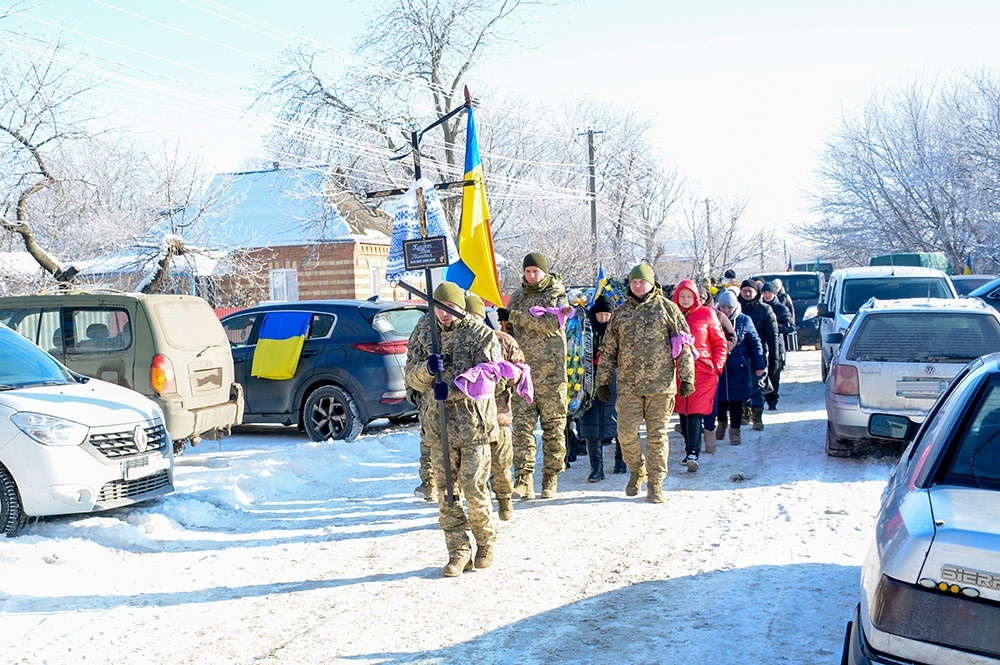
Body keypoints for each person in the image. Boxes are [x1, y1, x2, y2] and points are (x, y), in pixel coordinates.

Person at [404, 282, 502, 577]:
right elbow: (412, 377)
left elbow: (491, 377)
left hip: (474, 426)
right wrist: (427, 371)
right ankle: (458, 550)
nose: (444, 315)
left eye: (451, 309)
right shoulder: (423, 332)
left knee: (473, 486)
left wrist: (455, 389)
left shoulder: (480, 334)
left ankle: (485, 541)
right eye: (439, 309)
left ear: (461, 307)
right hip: (439, 426)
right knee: (447, 492)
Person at [596, 264, 694, 503]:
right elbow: (608, 350)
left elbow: (684, 345)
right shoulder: (620, 314)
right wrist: (603, 381)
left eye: (642, 281)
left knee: (657, 435)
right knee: (626, 433)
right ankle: (637, 470)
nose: (638, 285)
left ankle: (656, 483)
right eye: (634, 282)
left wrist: (687, 376)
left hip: (661, 386)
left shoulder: (668, 310)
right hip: (629, 386)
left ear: (652, 283)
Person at [498, 253, 571, 500]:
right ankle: (524, 478)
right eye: (528, 271)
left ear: (544, 272)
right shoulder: (518, 296)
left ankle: (550, 478)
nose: (532, 276)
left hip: (552, 377)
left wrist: (514, 316)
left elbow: (552, 323)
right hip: (524, 376)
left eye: (536, 271)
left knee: (553, 429)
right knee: (522, 430)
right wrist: (504, 320)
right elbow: (509, 331)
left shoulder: (556, 294)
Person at [465, 293, 523, 521]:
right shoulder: (460, 344)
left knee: (500, 465)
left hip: (498, 416)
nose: (470, 320)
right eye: (465, 315)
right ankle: (479, 510)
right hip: (469, 420)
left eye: (474, 315)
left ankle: (504, 499)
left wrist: (497, 380)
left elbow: (520, 371)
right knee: (474, 470)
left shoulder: (503, 340)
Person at [672, 279, 728, 471]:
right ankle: (690, 448)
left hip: (703, 370)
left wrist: (717, 367)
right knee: (683, 409)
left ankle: (693, 452)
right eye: (682, 296)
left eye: (690, 296)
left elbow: (720, 343)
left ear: (697, 297)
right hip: (678, 370)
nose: (686, 300)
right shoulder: (672, 314)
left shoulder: (707, 314)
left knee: (694, 410)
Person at [714, 290, 767, 445]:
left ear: (735, 307)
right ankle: (722, 422)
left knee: (737, 401)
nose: (726, 311)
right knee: (720, 400)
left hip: (739, 366)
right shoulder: (714, 319)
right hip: (719, 366)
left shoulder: (744, 320)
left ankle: (735, 431)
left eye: (729, 308)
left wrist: (759, 364)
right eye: (723, 308)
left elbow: (754, 343)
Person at [576, 295, 618, 482]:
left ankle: (621, 459)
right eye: (600, 314)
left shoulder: (618, 329)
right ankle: (596, 466)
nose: (603, 318)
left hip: (614, 379)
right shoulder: (586, 330)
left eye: (606, 314)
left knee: (617, 421)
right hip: (589, 379)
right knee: (591, 423)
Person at [737, 279, 779, 431]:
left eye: (750, 291)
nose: (747, 294)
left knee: (757, 385)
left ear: (756, 292)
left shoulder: (764, 309)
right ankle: (744, 412)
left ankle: (758, 416)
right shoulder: (736, 309)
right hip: (739, 354)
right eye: (744, 291)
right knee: (741, 384)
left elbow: (772, 335)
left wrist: (775, 357)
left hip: (758, 354)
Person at [761, 282, 795, 411]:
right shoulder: (759, 307)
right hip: (762, 345)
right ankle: (760, 400)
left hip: (776, 345)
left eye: (769, 292)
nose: (767, 295)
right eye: (765, 292)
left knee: (774, 374)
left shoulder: (780, 308)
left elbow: (790, 326)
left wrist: (774, 328)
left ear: (774, 294)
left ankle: (772, 401)